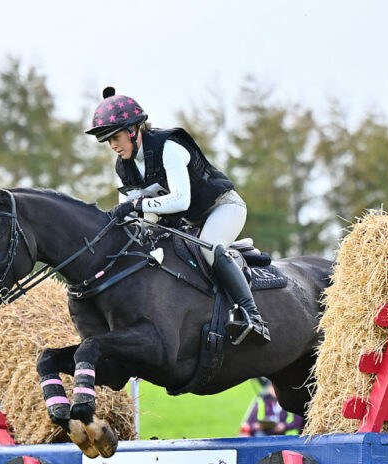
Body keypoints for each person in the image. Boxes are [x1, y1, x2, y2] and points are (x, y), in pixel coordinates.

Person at [85, 86, 270, 345]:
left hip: (223, 207)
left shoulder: (167, 147)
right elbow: (132, 217)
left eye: (115, 137)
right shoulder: (124, 165)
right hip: (190, 222)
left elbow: (179, 200)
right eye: (107, 141)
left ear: (133, 130)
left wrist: (136, 204)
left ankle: (253, 317)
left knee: (210, 249)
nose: (113, 146)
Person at [239, 378, 304, 437]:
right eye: (271, 387)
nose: (273, 390)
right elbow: (250, 423)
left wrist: (284, 426)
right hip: (266, 435)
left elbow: (298, 421)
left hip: (286, 436)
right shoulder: (262, 401)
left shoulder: (291, 402)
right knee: (259, 435)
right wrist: (257, 426)